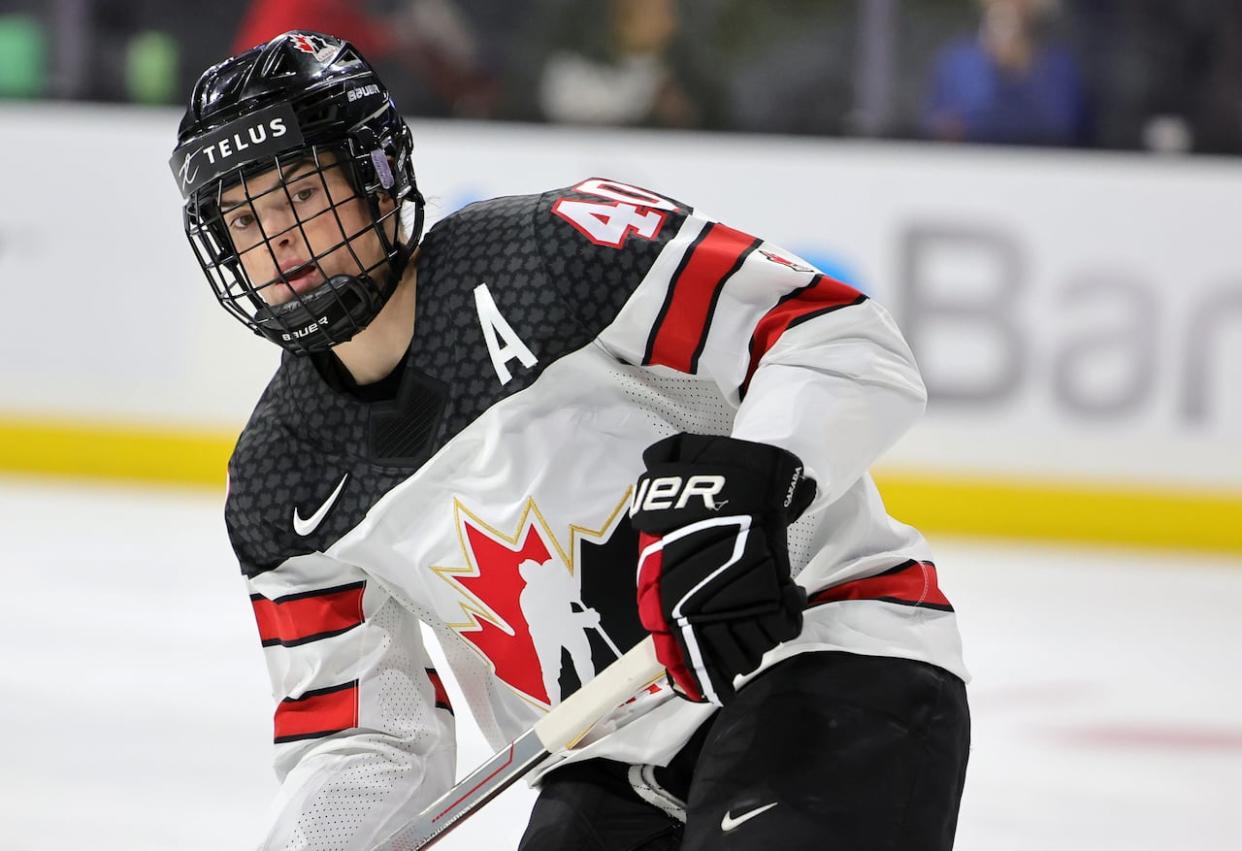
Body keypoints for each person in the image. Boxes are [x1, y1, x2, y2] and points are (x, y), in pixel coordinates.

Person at [170, 30, 970, 850]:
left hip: (820, 651)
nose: (276, 239)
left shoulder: (550, 253)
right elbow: (368, 738)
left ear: (376, 175)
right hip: (609, 761)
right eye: (241, 215)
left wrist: (757, 477)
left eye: (301, 192)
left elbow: (836, 337)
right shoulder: (280, 478)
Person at [922, 0, 1086, 146]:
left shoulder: (1060, 66)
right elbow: (939, 128)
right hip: (971, 167)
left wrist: (1022, 69)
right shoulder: (956, 62)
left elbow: (1063, 129)